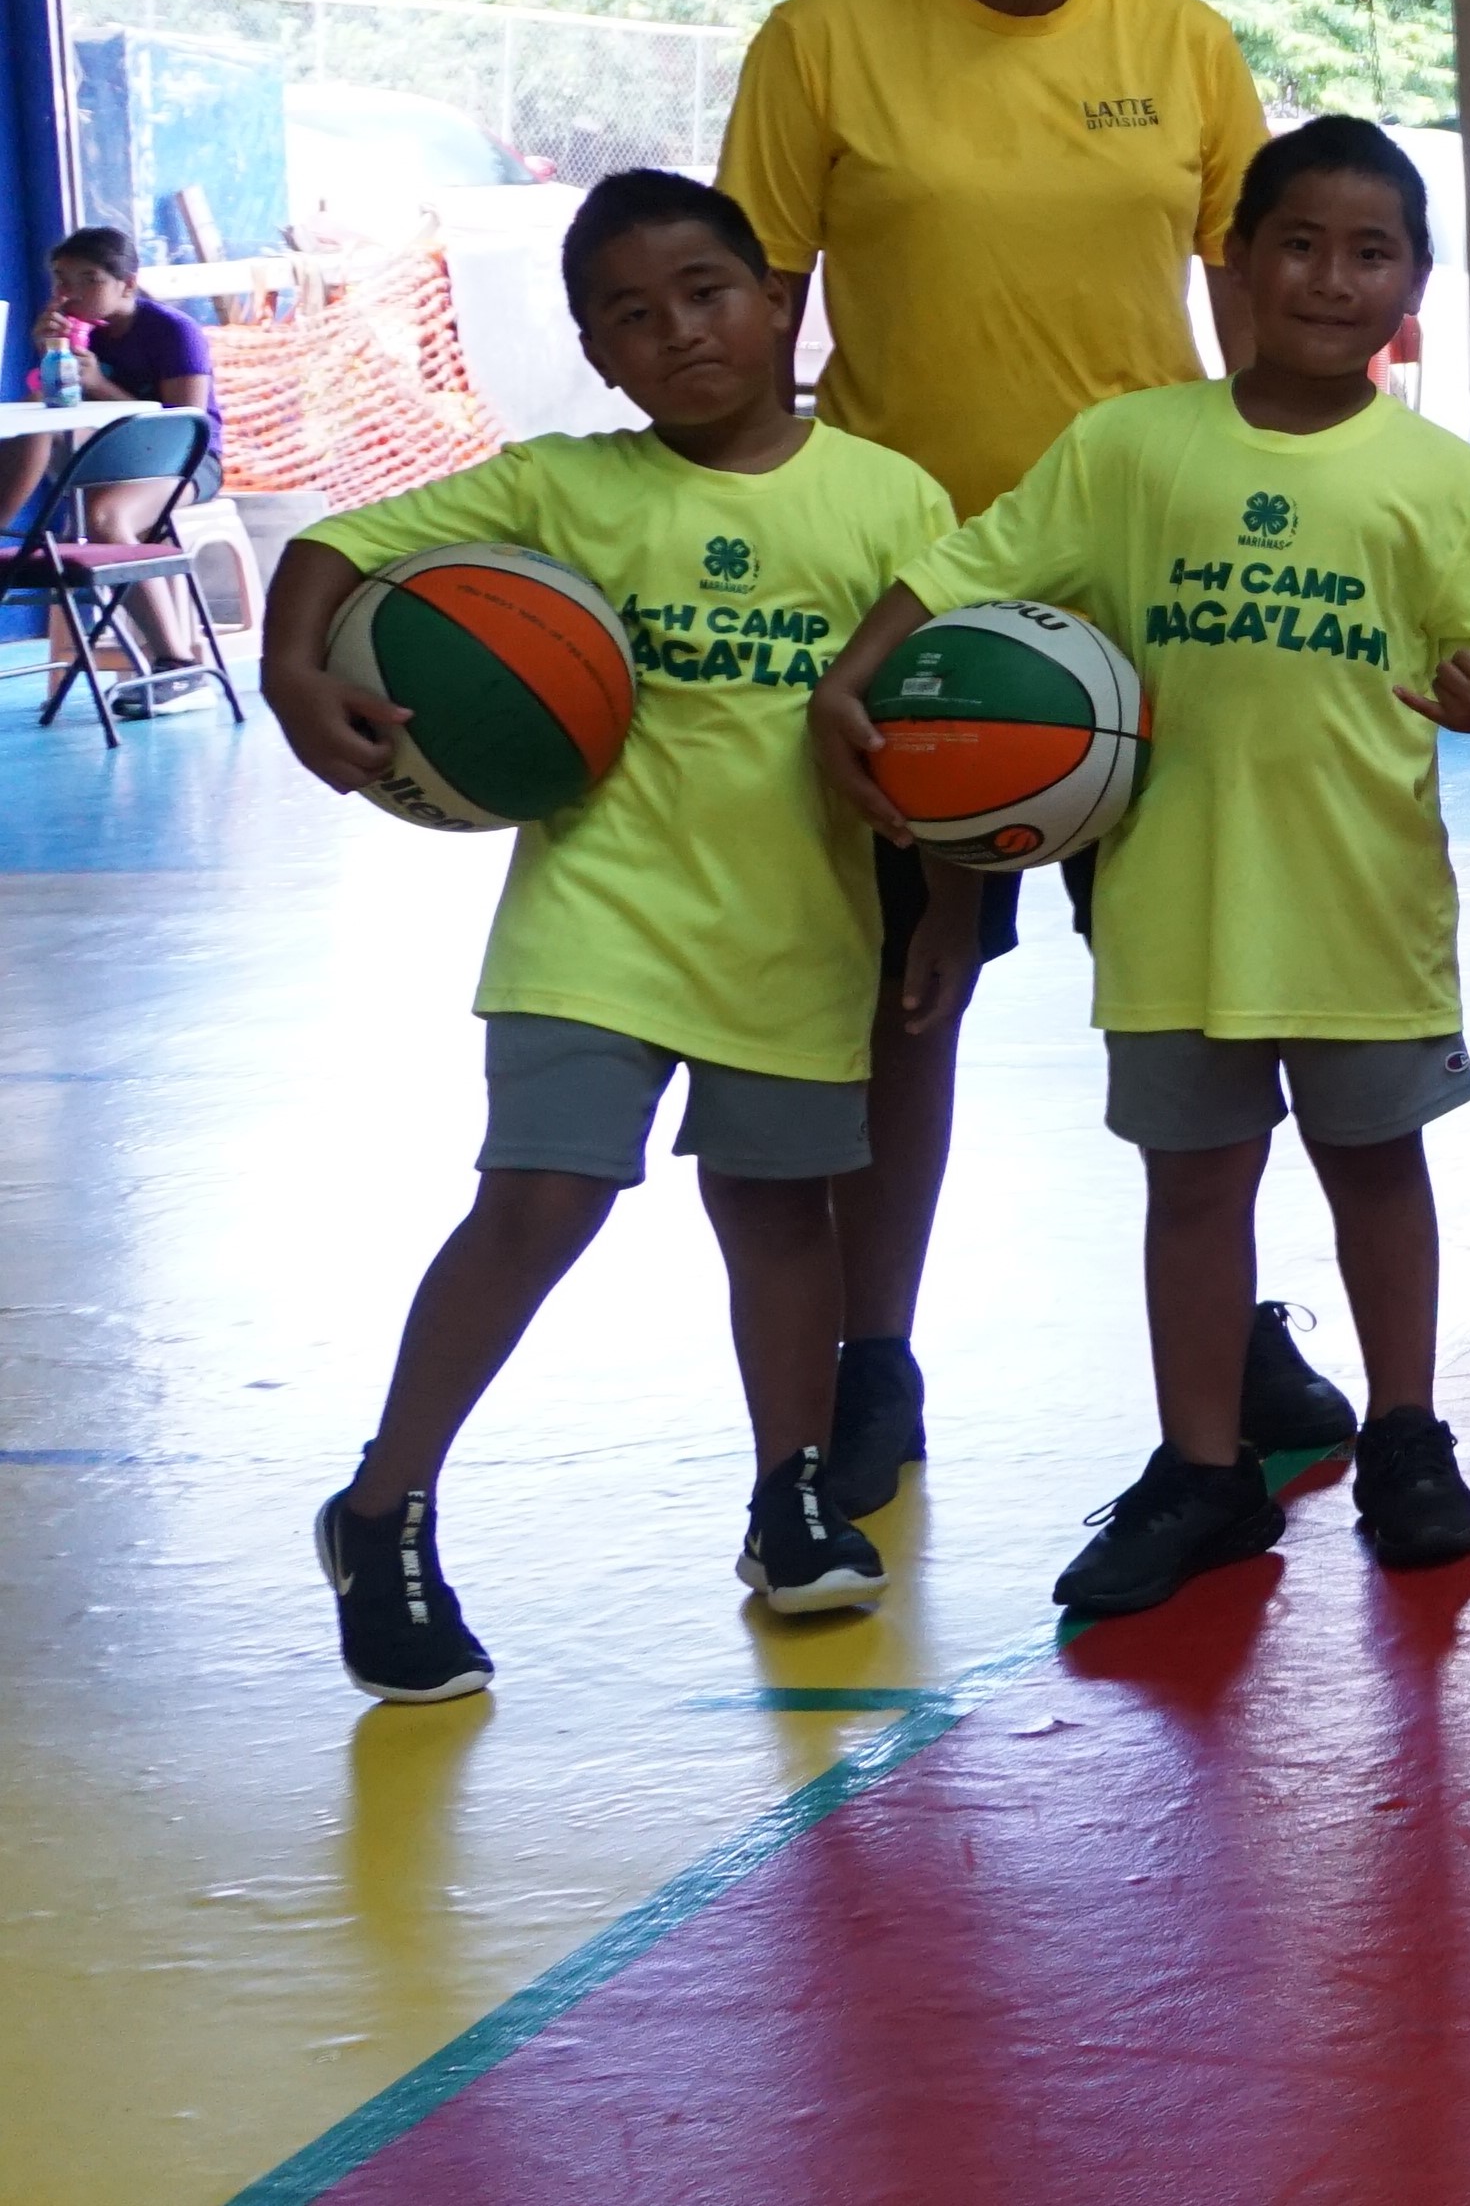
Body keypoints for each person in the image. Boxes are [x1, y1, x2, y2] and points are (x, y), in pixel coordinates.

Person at [715, 0, 1328, 1517]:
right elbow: (744, 325)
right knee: (908, 1005)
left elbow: (1263, 334)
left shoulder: (1183, 44)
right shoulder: (826, 44)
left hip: (1148, 594)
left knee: (1207, 996)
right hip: (922, 610)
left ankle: (1237, 1359)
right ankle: (872, 1363)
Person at [812, 117, 1470, 1619]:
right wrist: (857, 674)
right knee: (1194, 1190)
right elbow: (970, 566)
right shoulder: (1132, 447)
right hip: (1174, 905)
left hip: (1361, 904)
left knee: (1375, 1175)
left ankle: (1408, 1433)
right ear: (1236, 263)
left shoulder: (1435, 474)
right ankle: (1204, 1470)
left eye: (1370, 253)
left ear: (1414, 281)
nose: (1331, 279)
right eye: (1298, 244)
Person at [272, 173, 964, 1703]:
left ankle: (787, 1495)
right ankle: (384, 1505)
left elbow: (936, 732)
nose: (678, 333)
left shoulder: (892, 499)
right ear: (597, 352)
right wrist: (288, 669)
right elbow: (329, 547)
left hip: (798, 930)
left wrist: (956, 910)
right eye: (630, 317)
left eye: (707, 293)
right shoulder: (561, 488)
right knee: (540, 1198)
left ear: (781, 301)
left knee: (783, 1221)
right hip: (595, 920)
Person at [15, 228, 222, 701]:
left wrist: (101, 386)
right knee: (68, 484)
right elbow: (53, 409)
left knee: (106, 518)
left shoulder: (172, 331)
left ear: (127, 284)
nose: (70, 294)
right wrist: (54, 357)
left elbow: (188, 430)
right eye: (60, 279)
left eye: (89, 280)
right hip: (114, 465)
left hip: (186, 466)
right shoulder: (73, 333)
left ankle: (177, 665)